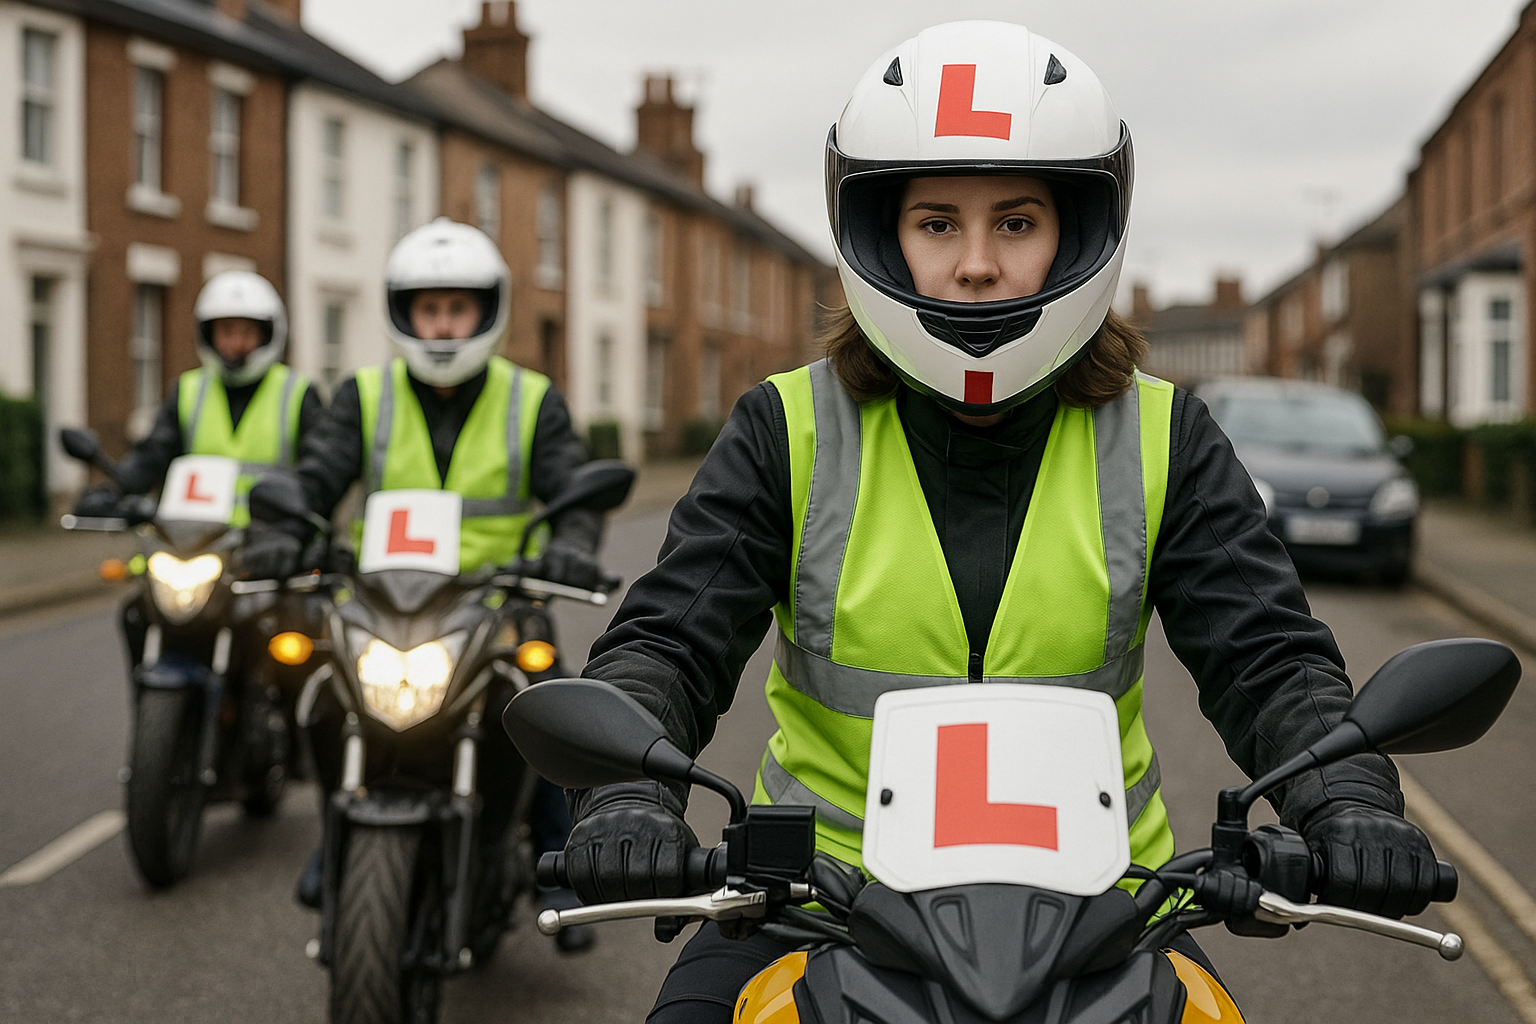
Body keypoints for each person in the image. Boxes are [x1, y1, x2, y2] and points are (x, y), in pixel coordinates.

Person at [555, 22, 1443, 1021]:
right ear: (880, 234)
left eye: (1015, 223)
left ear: (1080, 230)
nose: (976, 265)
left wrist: (1349, 798)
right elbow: (669, 638)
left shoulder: (1165, 437)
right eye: (938, 223)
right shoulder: (786, 429)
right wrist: (624, 793)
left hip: (1111, 905)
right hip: (816, 900)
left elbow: (1269, 657)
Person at [275, 218, 601, 953]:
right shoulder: (362, 396)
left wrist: (573, 548)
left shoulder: (532, 399)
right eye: (429, 309)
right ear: (403, 314)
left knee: (549, 706)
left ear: (487, 312)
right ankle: (338, 830)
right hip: (382, 597)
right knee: (326, 692)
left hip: (498, 596)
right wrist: (284, 528)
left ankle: (557, 863)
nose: (443, 325)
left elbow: (572, 491)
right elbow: (318, 475)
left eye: (457, 309)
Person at [72, 270, 322, 658]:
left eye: (247, 332)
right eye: (226, 331)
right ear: (209, 335)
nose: (236, 343)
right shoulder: (188, 391)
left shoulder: (297, 394)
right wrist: (115, 490)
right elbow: (154, 454)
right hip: (191, 543)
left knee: (290, 638)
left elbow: (319, 472)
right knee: (138, 613)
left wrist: (297, 528)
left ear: (269, 333)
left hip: (262, 548)